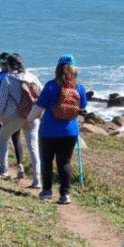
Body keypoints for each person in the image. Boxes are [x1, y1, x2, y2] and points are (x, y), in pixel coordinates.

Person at [27, 55, 87, 205]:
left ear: (57, 69)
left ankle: (47, 191)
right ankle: (65, 195)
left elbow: (38, 108)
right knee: (64, 162)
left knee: (46, 161)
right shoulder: (79, 88)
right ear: (74, 70)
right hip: (70, 131)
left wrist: (28, 120)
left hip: (48, 130)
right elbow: (83, 107)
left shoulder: (50, 86)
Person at [0, 53, 43, 187]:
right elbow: (41, 95)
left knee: (3, 137)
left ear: (9, 65)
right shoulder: (32, 76)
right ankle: (37, 179)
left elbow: (1, 103)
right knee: (33, 147)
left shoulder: (8, 79)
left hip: (14, 115)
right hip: (31, 114)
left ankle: (4, 169)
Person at [0, 51, 24, 179]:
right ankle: (20, 165)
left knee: (3, 138)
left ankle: (3, 166)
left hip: (6, 112)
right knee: (17, 139)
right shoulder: (18, 76)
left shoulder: (0, 76)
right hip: (19, 112)